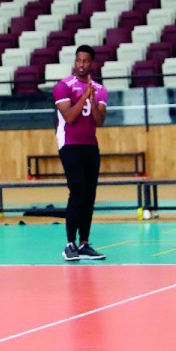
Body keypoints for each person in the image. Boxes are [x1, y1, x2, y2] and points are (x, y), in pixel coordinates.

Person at [53, 45, 109, 262]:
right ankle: (69, 243)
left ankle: (84, 242)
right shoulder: (63, 86)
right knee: (77, 191)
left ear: (91, 63)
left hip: (90, 144)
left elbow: (99, 120)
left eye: (85, 61)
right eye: (78, 61)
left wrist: (92, 99)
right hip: (69, 143)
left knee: (89, 194)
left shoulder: (100, 90)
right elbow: (68, 117)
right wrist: (83, 97)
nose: (81, 65)